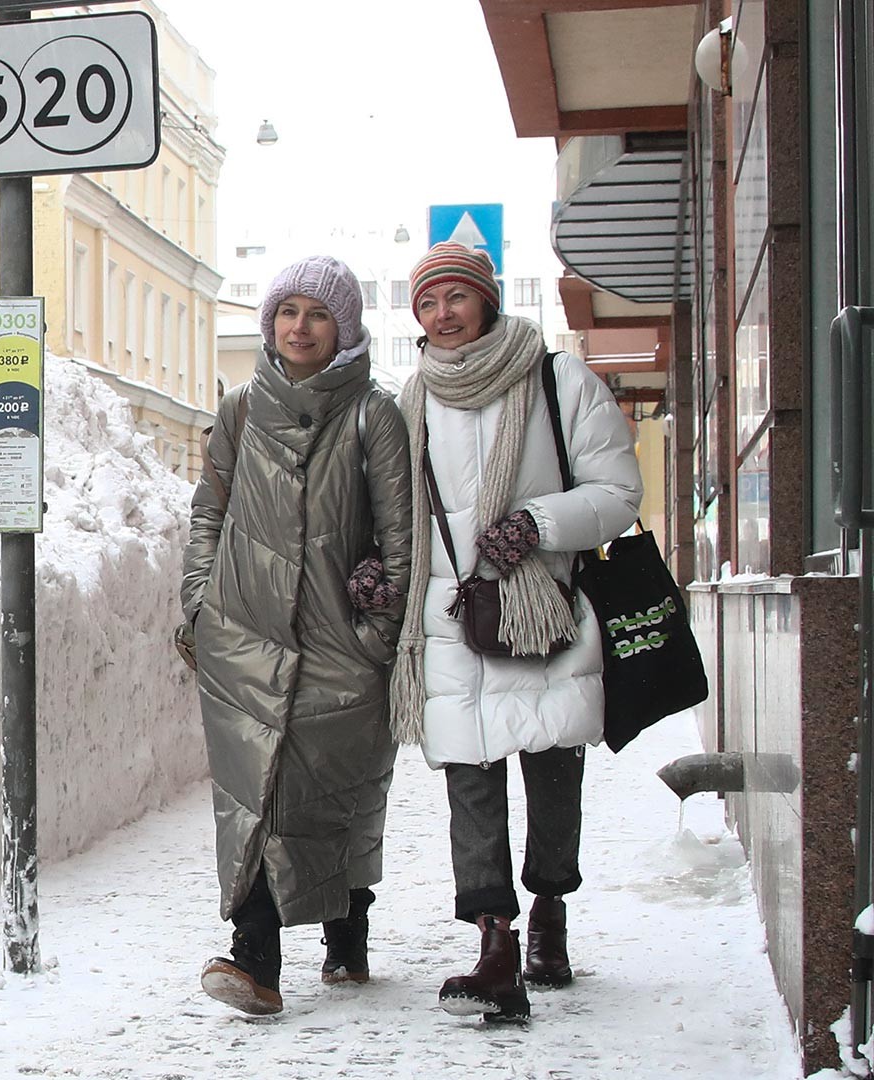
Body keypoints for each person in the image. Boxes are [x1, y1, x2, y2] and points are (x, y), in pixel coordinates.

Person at [385, 242, 642, 1022]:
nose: (442, 314)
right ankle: (496, 941)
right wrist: (379, 567)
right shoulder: (414, 397)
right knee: (470, 780)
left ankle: (551, 913)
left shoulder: (558, 377)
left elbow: (620, 492)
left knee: (552, 774)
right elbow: (399, 507)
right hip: (454, 615)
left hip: (542, 608)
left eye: (456, 297)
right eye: (427, 304)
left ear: (488, 301)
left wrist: (538, 524)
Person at [178, 255, 414, 1015]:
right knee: (255, 796)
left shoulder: (374, 414)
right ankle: (257, 961)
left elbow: (399, 538)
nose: (300, 328)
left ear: (342, 326)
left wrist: (376, 632)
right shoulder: (242, 407)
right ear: (270, 323)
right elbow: (208, 510)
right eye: (288, 312)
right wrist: (199, 605)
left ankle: (346, 931)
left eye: (317, 314)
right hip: (243, 635)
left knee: (329, 796)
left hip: (337, 643)